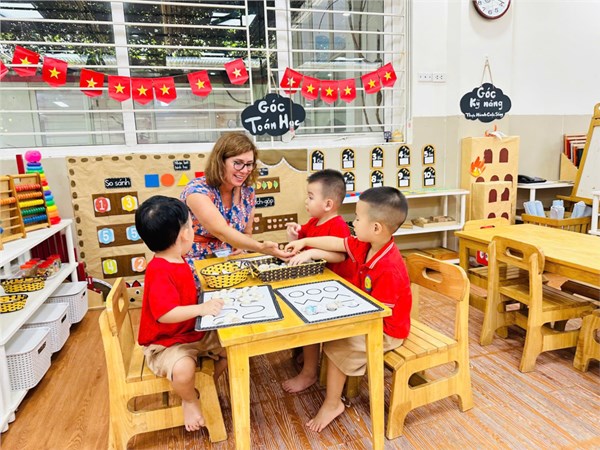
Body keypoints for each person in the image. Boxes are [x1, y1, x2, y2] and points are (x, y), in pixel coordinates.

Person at [285, 186, 412, 433]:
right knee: (331, 332)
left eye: (357, 218)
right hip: (371, 317)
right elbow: (337, 243)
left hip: (387, 330)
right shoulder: (367, 244)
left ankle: (333, 403)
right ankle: (328, 386)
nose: (352, 223)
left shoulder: (389, 267)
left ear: (376, 228)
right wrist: (305, 242)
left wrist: (346, 322)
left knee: (338, 343)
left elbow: (378, 315)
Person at [135, 195, 227, 432]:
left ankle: (202, 388)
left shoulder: (177, 258)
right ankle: (190, 399)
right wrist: (201, 308)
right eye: (191, 225)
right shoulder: (159, 269)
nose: (193, 229)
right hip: (166, 343)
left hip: (191, 332)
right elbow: (165, 314)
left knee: (232, 347)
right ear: (185, 234)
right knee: (183, 369)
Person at [181, 132, 288, 282]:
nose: (244, 170)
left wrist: (242, 246)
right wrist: (261, 248)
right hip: (197, 266)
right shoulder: (197, 191)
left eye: (249, 164)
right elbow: (222, 232)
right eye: (238, 163)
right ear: (220, 161)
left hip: (232, 266)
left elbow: (247, 232)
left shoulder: (248, 191)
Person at [282, 169, 351, 394]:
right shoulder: (314, 221)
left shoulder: (338, 226)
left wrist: (311, 252)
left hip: (335, 290)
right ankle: (308, 354)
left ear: (328, 204)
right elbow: (301, 244)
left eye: (311, 197)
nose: (306, 201)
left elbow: (340, 255)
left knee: (308, 322)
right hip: (316, 284)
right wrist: (294, 236)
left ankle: (309, 372)